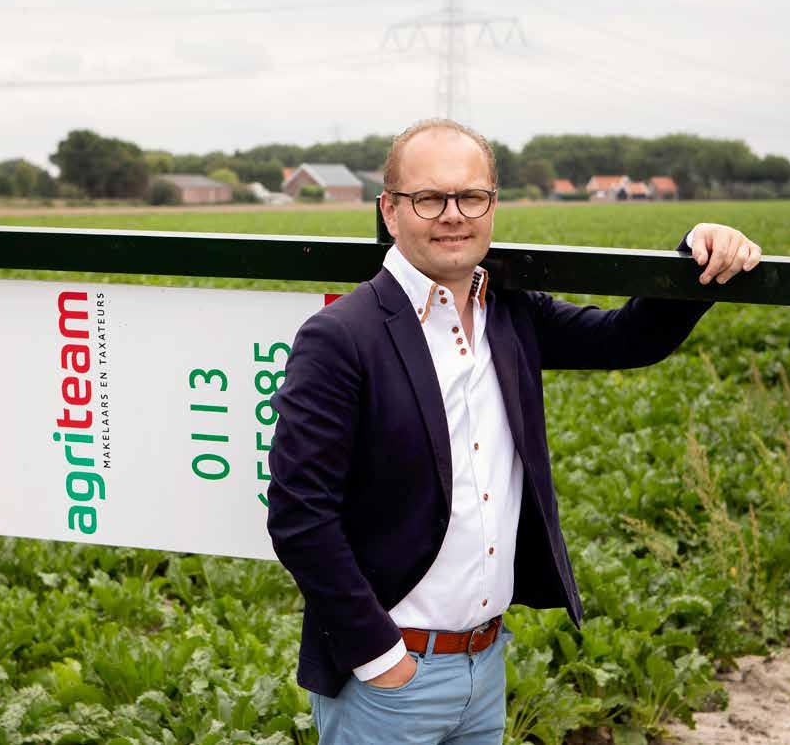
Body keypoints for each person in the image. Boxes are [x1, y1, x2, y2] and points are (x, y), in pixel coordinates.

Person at [265, 118, 761, 745]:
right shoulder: (342, 336)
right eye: (429, 198)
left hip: (485, 668)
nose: (453, 215)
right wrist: (381, 659)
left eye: (471, 197)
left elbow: (626, 339)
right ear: (390, 210)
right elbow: (300, 514)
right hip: (388, 684)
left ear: (492, 205)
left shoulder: (509, 312)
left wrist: (696, 253)